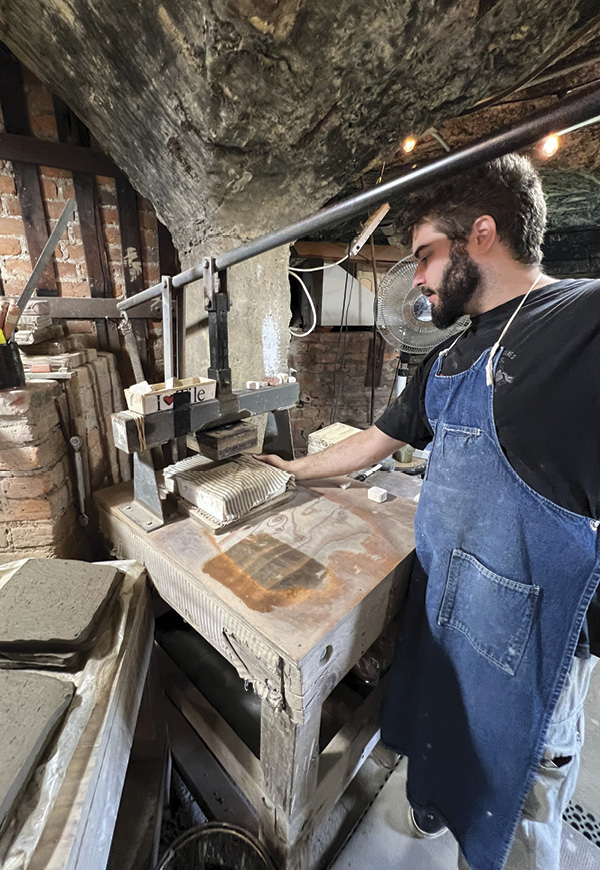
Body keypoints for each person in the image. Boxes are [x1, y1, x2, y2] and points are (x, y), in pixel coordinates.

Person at [257, 154, 600, 870]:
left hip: (530, 648)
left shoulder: (579, 324)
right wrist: (290, 470)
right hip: (451, 617)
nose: (414, 276)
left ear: (481, 234)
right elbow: (372, 442)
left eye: (424, 255)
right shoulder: (445, 358)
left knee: (520, 817)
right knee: (444, 762)